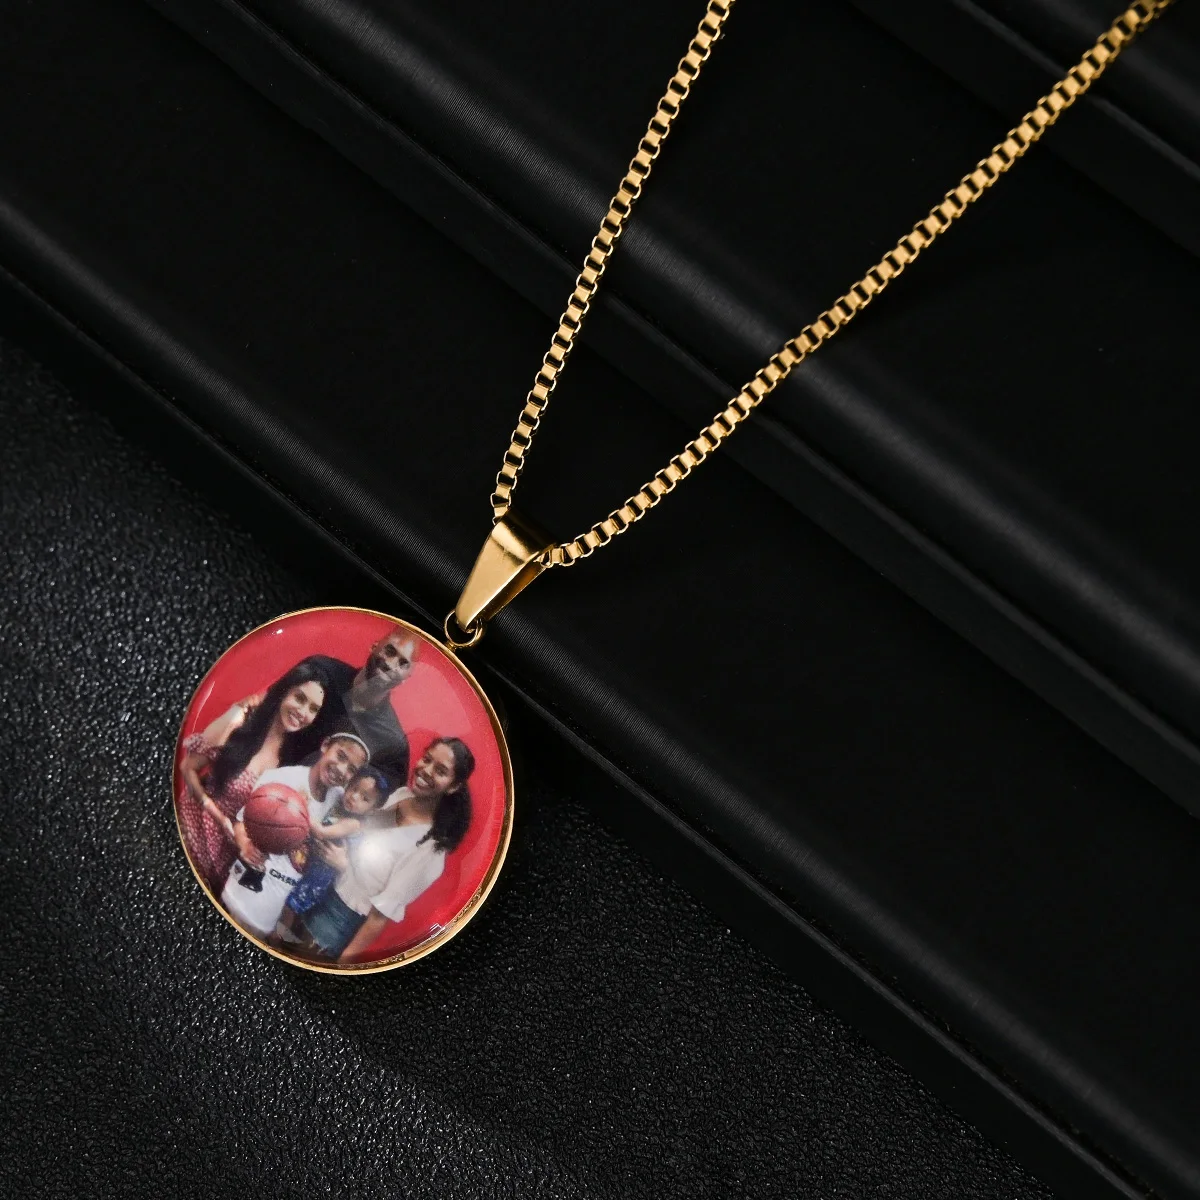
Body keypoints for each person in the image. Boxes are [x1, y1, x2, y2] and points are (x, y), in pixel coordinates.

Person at [299, 736, 475, 963]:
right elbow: (360, 830)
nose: (426, 770)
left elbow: (379, 916)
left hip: (338, 918)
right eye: (427, 759)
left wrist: (344, 967)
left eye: (440, 771)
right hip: (316, 884)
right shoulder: (401, 794)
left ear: (454, 786)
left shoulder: (430, 850)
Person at [178, 657, 336, 886]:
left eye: (313, 709)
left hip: (222, 864)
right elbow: (187, 767)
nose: (303, 712)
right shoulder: (241, 719)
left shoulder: (291, 764)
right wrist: (219, 817)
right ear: (283, 692)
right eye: (299, 698)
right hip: (188, 834)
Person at [218, 732, 370, 940]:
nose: (342, 770)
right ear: (325, 745)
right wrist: (244, 843)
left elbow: (357, 832)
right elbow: (240, 822)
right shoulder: (283, 779)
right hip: (239, 900)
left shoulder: (340, 802)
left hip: (271, 918)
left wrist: (343, 862)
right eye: (341, 756)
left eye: (352, 769)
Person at [275, 763, 391, 944]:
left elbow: (321, 832)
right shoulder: (339, 804)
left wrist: (301, 805)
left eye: (364, 798)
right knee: (287, 902)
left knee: (291, 905)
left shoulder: (353, 823)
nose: (354, 797)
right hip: (310, 864)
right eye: (354, 788)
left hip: (318, 876)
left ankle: (276, 939)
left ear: (372, 810)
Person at [308, 626, 420, 788]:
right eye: (390, 651)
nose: (391, 664)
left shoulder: (393, 744)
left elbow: (378, 800)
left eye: (403, 664)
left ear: (406, 678)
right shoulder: (321, 672)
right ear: (374, 646)